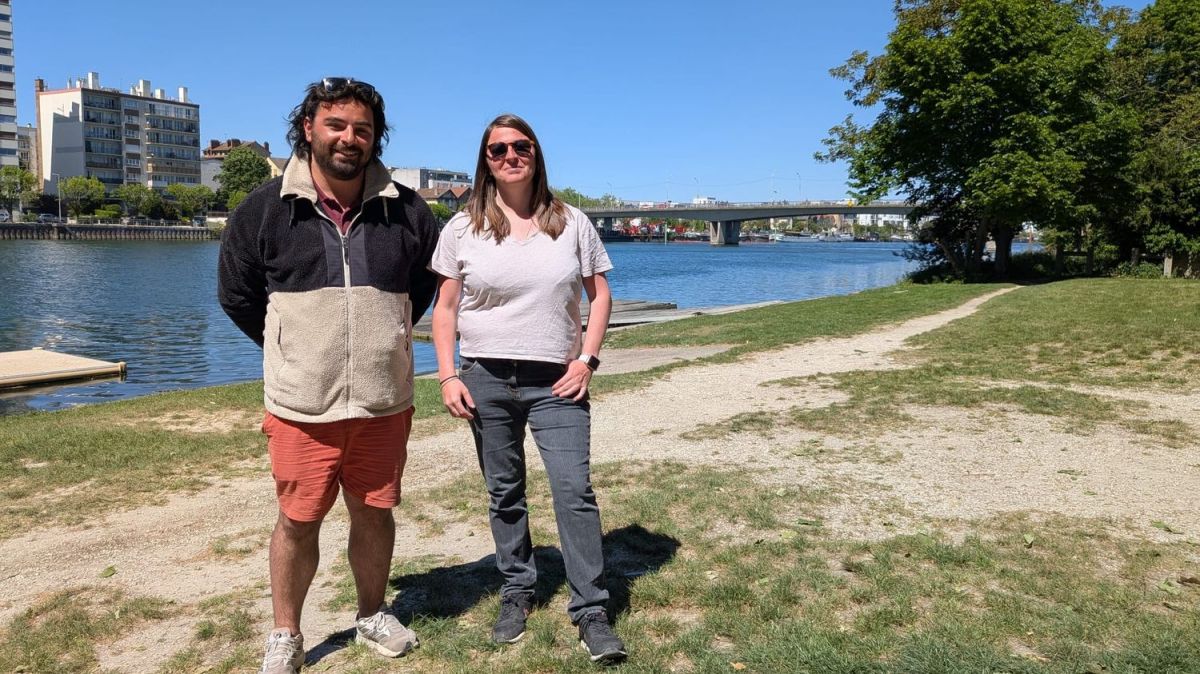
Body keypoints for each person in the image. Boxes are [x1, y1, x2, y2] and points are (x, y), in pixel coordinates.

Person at [217, 77, 439, 674]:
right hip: (301, 406)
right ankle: (286, 633)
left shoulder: (408, 210)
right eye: (336, 125)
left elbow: (423, 288)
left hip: (382, 402)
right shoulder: (263, 209)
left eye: (362, 129)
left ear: (375, 137)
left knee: (375, 512)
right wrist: (292, 348)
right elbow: (237, 295)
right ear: (308, 128)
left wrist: (387, 337)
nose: (349, 138)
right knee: (297, 521)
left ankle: (371, 614)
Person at [430, 113, 627, 664]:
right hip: (485, 378)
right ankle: (517, 589)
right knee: (504, 492)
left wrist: (587, 360)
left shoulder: (572, 222)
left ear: (536, 154)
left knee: (574, 491)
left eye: (521, 146)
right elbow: (445, 308)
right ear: (485, 161)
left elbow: (600, 297)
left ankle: (591, 608)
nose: (511, 156)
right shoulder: (462, 227)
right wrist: (447, 375)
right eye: (498, 150)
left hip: (556, 380)